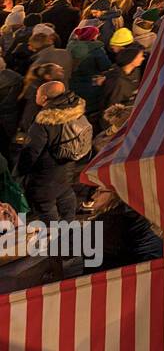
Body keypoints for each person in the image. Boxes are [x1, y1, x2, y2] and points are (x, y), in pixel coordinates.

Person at [15, 81, 92, 221]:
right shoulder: (75, 110)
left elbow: (31, 151)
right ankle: (70, 228)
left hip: (45, 174)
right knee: (65, 195)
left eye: (37, 93)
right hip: (67, 168)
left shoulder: (45, 121)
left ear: (44, 98)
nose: (35, 95)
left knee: (45, 205)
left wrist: (20, 172)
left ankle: (56, 236)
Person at [69, 25, 112, 118]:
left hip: (73, 80)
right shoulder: (97, 50)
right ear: (92, 36)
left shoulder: (71, 46)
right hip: (91, 81)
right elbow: (105, 66)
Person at [100, 43, 145, 113]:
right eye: (140, 56)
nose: (143, 58)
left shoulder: (136, 71)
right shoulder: (117, 81)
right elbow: (111, 106)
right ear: (131, 59)